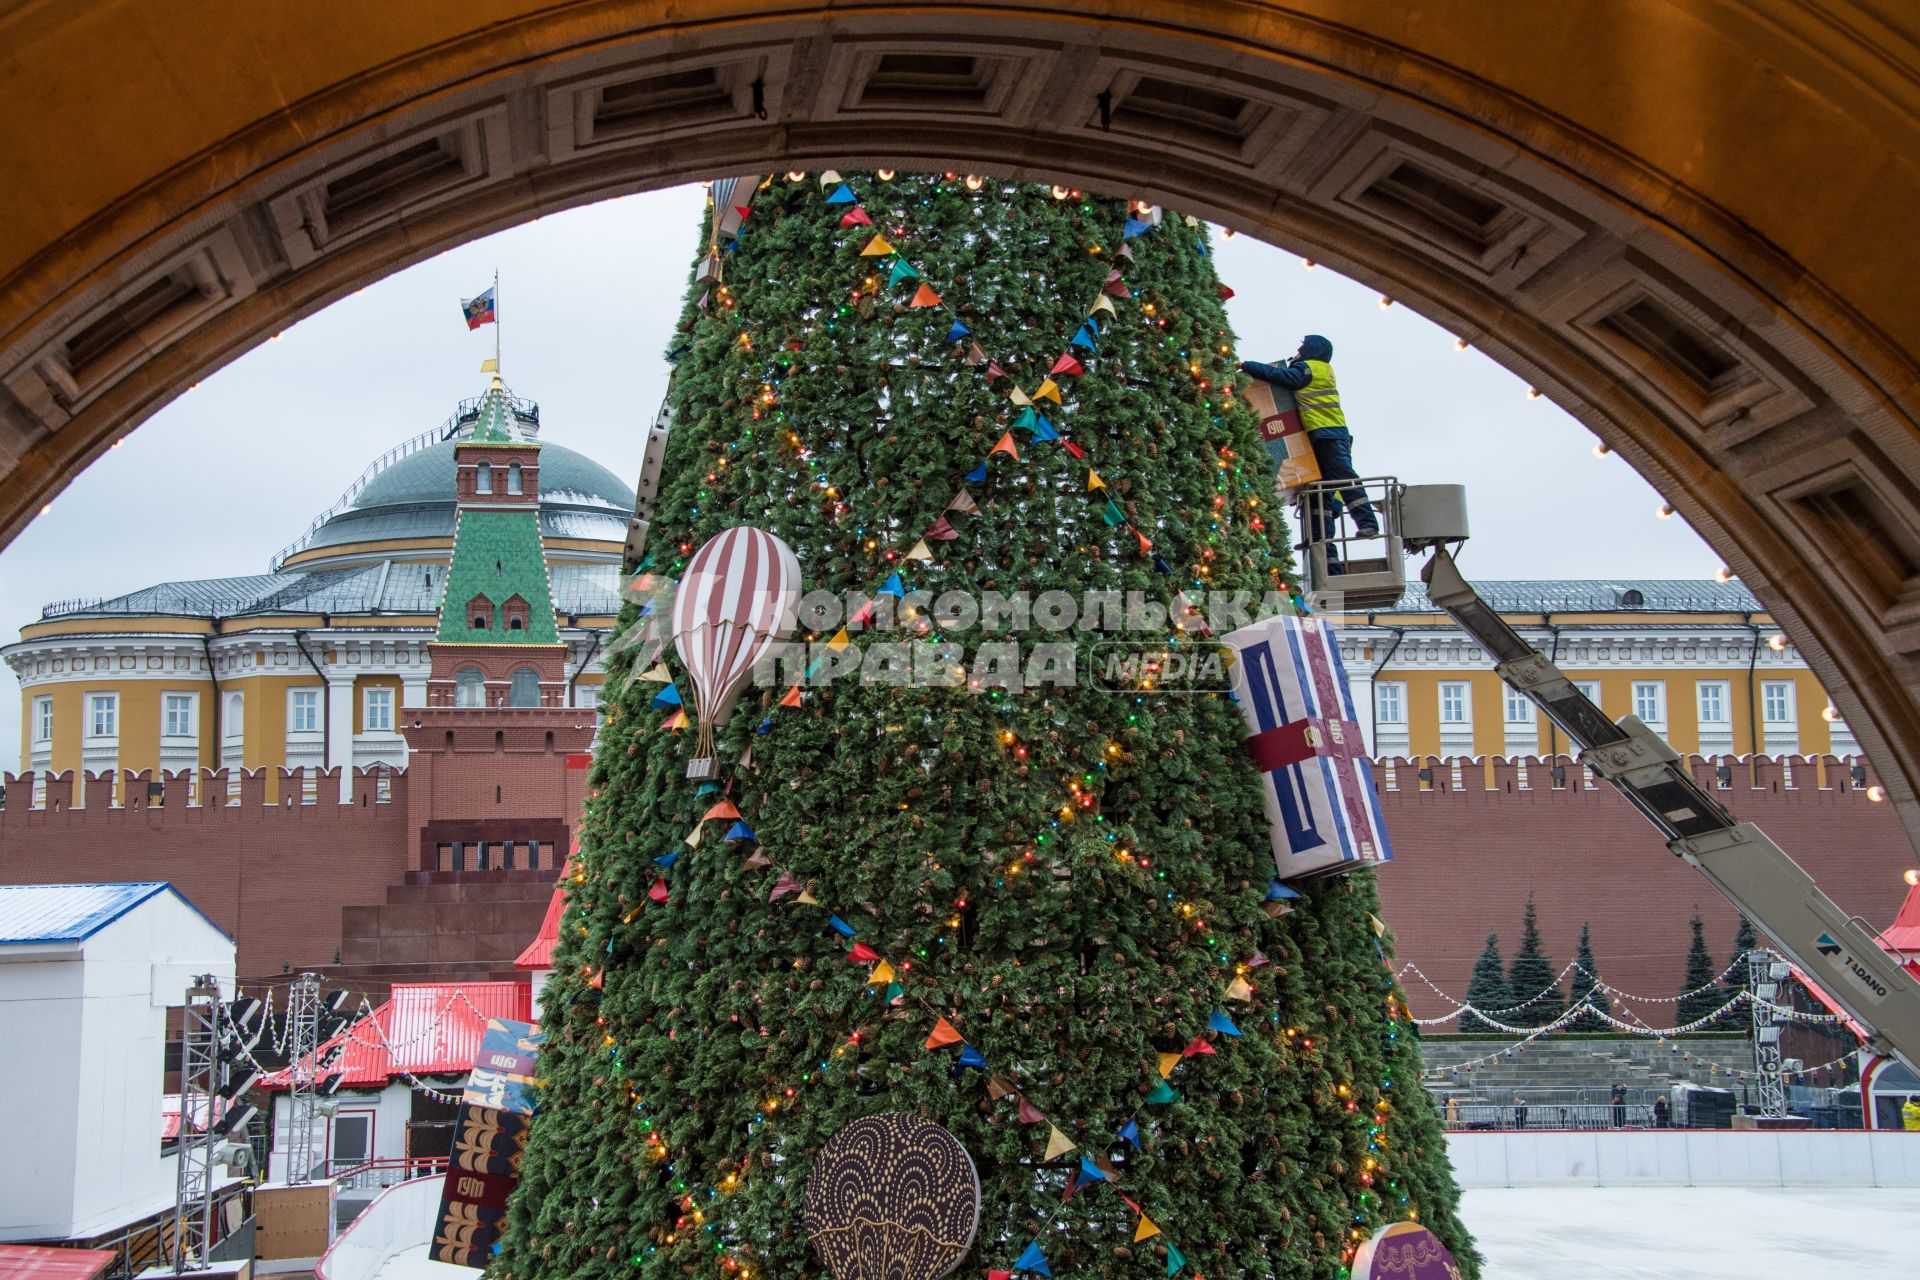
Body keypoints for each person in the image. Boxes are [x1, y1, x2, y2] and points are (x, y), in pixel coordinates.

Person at [1241, 335, 1380, 564]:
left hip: (1328, 434)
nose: (1296, 353)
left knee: (1343, 479)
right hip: (1326, 435)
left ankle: (1367, 523)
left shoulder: (1309, 369)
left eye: (1300, 349)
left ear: (1310, 350)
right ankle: (1320, 547)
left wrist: (1247, 366)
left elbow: (1281, 376)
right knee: (1320, 497)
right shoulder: (1323, 370)